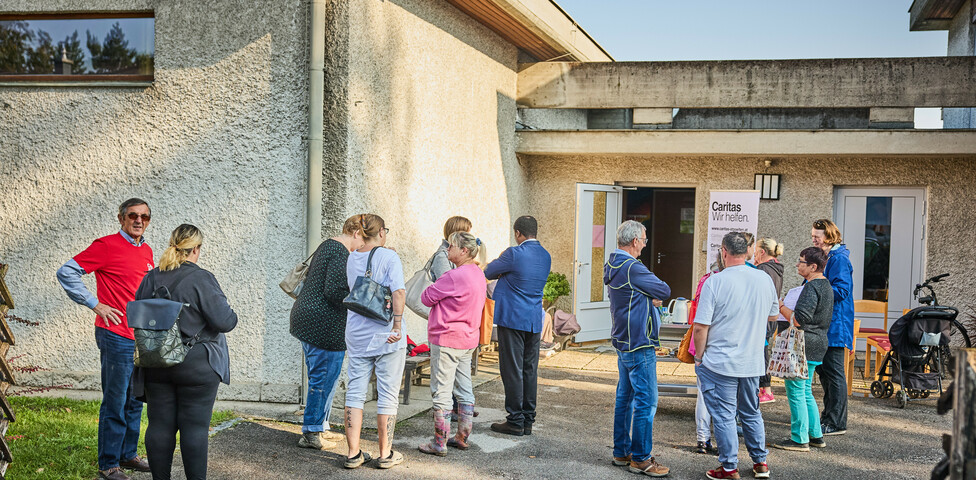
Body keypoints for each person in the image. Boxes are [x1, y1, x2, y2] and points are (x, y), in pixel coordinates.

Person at [56, 198, 155, 480]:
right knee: (115, 399)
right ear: (121, 218)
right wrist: (94, 303)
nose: (139, 221)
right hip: (115, 335)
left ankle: (128, 454)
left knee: (135, 398)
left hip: (140, 338)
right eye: (133, 216)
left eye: (144, 217)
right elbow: (67, 271)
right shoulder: (107, 245)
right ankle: (109, 464)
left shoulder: (146, 249)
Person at [134, 224, 238, 480]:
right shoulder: (201, 278)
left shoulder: (152, 278)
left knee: (159, 425)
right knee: (194, 429)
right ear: (197, 249)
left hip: (156, 361)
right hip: (196, 363)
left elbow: (139, 316)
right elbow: (225, 321)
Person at [693, 232, 778, 480]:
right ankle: (760, 462)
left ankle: (729, 467)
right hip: (752, 361)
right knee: (751, 412)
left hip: (721, 362)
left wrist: (699, 358)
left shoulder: (715, 281)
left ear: (724, 252)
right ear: (748, 251)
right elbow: (773, 315)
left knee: (724, 415)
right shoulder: (763, 279)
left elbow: (700, 327)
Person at [289, 215, 364, 450]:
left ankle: (320, 426)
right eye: (364, 238)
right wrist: (361, 298)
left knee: (322, 377)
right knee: (322, 379)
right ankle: (311, 432)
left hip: (309, 320)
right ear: (355, 233)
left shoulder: (327, 245)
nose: (364, 244)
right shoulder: (340, 252)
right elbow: (334, 291)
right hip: (323, 326)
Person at [604, 220, 671, 477]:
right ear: (634, 241)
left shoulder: (613, 263)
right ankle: (641, 459)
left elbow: (644, 294)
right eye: (643, 240)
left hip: (623, 339)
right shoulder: (632, 267)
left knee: (626, 397)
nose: (644, 244)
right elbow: (663, 289)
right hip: (639, 341)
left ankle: (621, 452)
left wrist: (644, 296)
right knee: (647, 401)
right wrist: (648, 296)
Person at [343, 214, 407, 470]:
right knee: (388, 394)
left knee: (355, 391)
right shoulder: (389, 257)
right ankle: (385, 454)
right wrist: (398, 325)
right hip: (385, 334)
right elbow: (399, 292)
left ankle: (353, 454)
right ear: (381, 231)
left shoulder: (351, 257)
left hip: (357, 333)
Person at [418, 232, 486, 455]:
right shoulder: (477, 274)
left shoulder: (453, 276)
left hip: (447, 338)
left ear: (464, 251)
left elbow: (426, 297)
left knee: (442, 391)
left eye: (452, 246)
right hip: (468, 339)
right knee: (464, 387)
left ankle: (439, 442)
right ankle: (462, 435)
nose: (448, 250)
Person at [485, 215, 551, 436]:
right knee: (529, 369)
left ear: (517, 233)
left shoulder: (514, 253)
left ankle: (515, 420)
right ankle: (528, 419)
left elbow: (488, 271)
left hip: (513, 318)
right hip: (533, 319)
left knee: (512, 370)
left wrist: (504, 270)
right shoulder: (545, 255)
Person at [772, 247, 833, 452]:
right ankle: (816, 435)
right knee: (806, 391)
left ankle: (799, 439)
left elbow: (799, 319)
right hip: (818, 343)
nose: (797, 265)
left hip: (803, 344)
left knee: (797, 392)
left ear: (813, 266)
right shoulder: (826, 286)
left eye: (801, 262)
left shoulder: (812, 287)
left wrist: (780, 306)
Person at [811, 218, 854, 436]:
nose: (813, 241)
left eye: (816, 238)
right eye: (812, 237)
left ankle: (836, 422)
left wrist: (816, 292)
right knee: (826, 373)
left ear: (828, 237)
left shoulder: (838, 260)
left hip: (835, 325)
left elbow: (842, 291)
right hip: (827, 323)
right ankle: (829, 417)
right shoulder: (829, 258)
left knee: (834, 374)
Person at [690, 254, 725, 455]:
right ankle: (722, 442)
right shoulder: (723, 284)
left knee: (703, 395)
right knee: (726, 399)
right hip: (722, 345)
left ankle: (703, 439)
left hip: (705, 346)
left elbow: (698, 321)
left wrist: (698, 354)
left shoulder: (705, 281)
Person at [754, 237, 785, 404]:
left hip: (763, 317)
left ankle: (765, 389)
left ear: (762, 252)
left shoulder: (764, 269)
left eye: (755, 251)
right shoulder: (776, 267)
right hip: (771, 317)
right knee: (763, 350)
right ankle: (764, 389)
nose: (753, 255)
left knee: (761, 351)